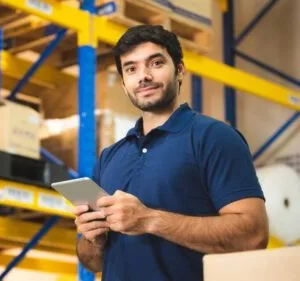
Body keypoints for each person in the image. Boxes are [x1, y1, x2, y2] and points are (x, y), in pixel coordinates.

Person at [73, 25, 268, 281]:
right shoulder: (110, 156)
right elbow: (92, 262)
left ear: (179, 70)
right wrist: (93, 240)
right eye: (131, 69)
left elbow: (253, 235)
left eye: (155, 63)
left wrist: (150, 219)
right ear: (123, 83)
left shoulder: (214, 138)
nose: (143, 76)